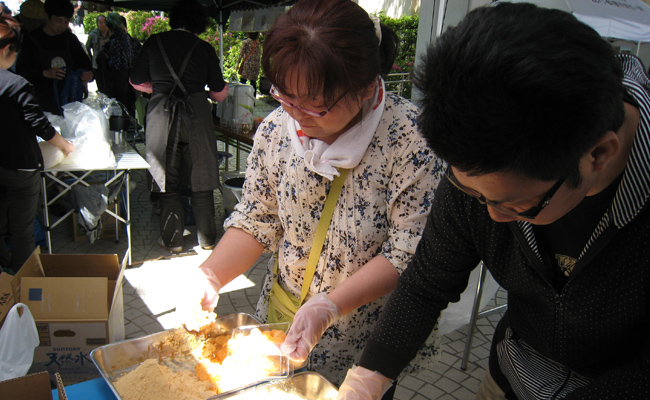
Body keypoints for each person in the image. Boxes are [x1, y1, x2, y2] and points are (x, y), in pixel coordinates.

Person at [337, 3, 650, 400]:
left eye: (515, 206)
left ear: (599, 155)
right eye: (472, 193)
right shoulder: (480, 160)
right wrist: (370, 377)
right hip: (514, 376)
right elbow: (428, 280)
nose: (491, 217)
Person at [194, 0, 443, 389]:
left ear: (363, 88)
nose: (295, 114)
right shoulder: (277, 130)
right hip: (282, 317)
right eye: (285, 95)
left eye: (314, 102)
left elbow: (408, 252)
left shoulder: (412, 141)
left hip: (364, 339)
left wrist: (330, 306)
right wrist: (211, 275)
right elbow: (257, 219)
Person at [130, 0, 228, 253]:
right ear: (199, 23)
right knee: (201, 178)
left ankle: (172, 241)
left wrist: (159, 88)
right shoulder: (204, 48)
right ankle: (206, 240)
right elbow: (219, 94)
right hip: (196, 116)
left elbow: (136, 81)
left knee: (167, 180)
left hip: (162, 115)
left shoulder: (154, 42)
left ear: (173, 19)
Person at [0, 15, 74, 273]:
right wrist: (65, 145)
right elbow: (40, 125)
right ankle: (26, 285)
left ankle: (3, 278)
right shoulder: (16, 84)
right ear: (9, 50)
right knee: (21, 231)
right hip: (21, 167)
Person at [15, 0, 92, 115]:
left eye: (66, 22)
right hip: (41, 103)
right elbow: (21, 72)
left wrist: (89, 75)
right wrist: (44, 74)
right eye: (58, 21)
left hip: (69, 103)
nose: (62, 26)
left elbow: (85, 65)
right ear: (46, 16)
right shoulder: (31, 40)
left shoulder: (70, 39)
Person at [100, 12, 133, 114]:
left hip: (118, 81)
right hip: (127, 78)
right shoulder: (126, 37)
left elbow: (115, 64)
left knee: (118, 107)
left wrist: (106, 59)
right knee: (127, 106)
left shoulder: (115, 42)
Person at [85, 14, 109, 94]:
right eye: (100, 22)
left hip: (109, 64)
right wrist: (91, 59)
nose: (103, 25)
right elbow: (87, 48)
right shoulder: (93, 34)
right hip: (98, 64)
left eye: (104, 22)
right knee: (100, 85)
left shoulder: (112, 33)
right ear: (97, 24)